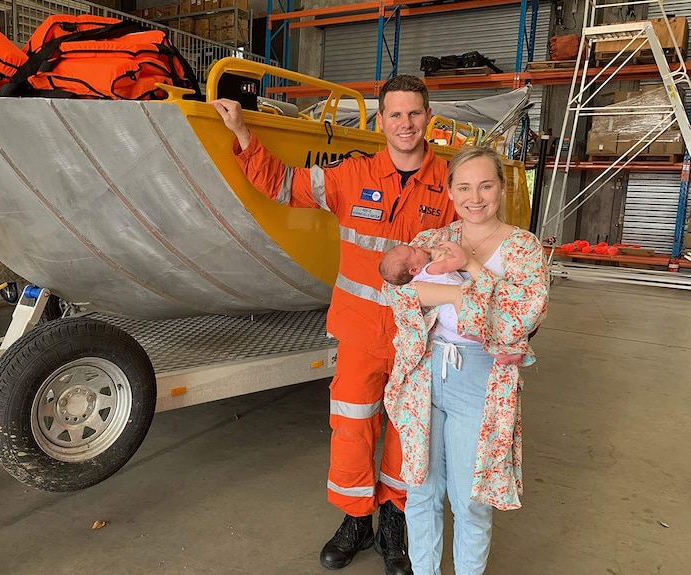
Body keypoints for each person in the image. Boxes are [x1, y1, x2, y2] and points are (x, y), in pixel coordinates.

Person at [213, 74, 455, 575]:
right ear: (382, 120)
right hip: (361, 332)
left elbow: (475, 244)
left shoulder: (451, 184)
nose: (405, 124)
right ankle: (355, 518)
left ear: (427, 117)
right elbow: (284, 184)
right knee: (351, 429)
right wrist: (242, 135)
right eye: (395, 114)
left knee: (412, 434)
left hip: (421, 339)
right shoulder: (352, 175)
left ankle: (394, 520)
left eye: (414, 113)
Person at [382, 146, 549, 575]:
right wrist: (467, 295)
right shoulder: (432, 239)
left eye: (486, 185)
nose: (475, 197)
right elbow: (398, 294)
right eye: (464, 187)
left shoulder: (523, 247)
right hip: (424, 373)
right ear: (451, 191)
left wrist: (472, 267)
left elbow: (521, 316)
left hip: (480, 375)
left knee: (470, 500)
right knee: (419, 490)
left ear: (502, 187)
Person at [379, 244, 524, 367]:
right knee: (486, 327)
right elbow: (460, 260)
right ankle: (500, 350)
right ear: (414, 270)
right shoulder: (431, 269)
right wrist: (450, 248)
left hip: (447, 317)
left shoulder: (416, 280)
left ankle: (497, 352)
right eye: (414, 251)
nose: (417, 246)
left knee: (478, 336)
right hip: (457, 311)